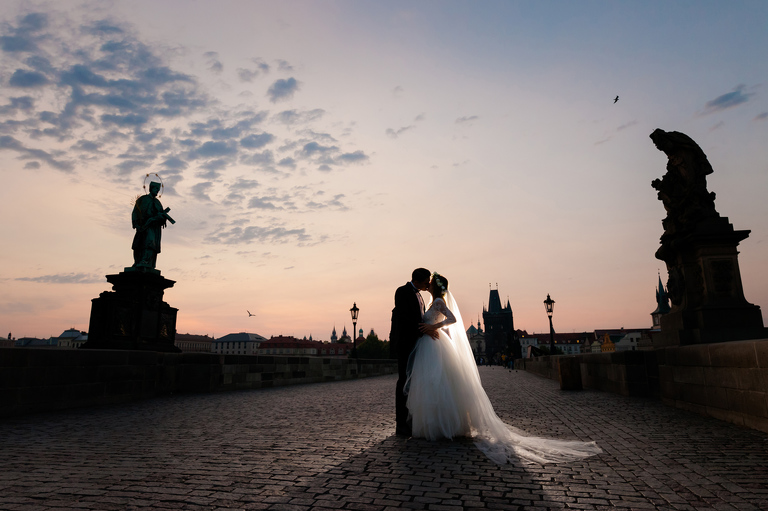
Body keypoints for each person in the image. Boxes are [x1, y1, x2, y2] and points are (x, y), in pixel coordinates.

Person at [404, 272, 603, 465]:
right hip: (431, 345)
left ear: (435, 286)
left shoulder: (438, 302)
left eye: (430, 282)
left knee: (437, 384)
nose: (428, 284)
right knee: (435, 385)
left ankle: (441, 426)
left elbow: (452, 319)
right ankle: (439, 424)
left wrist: (433, 327)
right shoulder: (432, 302)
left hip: (434, 345)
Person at [389, 268, 434, 437]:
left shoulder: (419, 295)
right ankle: (401, 424)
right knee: (403, 382)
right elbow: (404, 318)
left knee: (412, 383)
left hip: (417, 344)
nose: (428, 284)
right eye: (426, 281)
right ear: (417, 281)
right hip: (405, 344)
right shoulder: (402, 291)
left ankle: (410, 421)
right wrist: (424, 329)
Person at [131, 181, 173, 270]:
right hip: (143, 225)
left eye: (158, 190)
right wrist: (136, 224)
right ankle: (137, 261)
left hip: (153, 228)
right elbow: (135, 212)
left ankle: (146, 261)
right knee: (138, 244)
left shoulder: (158, 203)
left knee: (150, 242)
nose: (157, 191)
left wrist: (161, 218)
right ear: (151, 188)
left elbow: (162, 217)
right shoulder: (143, 199)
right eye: (156, 189)